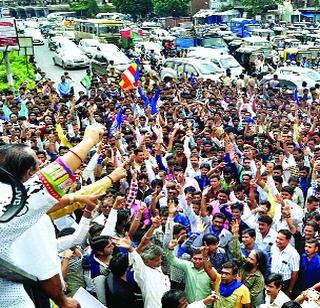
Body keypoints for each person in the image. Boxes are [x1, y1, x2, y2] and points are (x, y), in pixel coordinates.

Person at [0, 123, 106, 308]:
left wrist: (74, 197)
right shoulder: (13, 208)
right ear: (29, 174)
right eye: (39, 166)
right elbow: (49, 180)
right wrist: (88, 141)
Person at [270, 230, 300, 297]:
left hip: (284, 283)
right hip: (271, 280)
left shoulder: (293, 254)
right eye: (277, 238)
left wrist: (289, 290)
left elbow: (295, 274)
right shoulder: (274, 247)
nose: (277, 240)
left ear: (288, 240)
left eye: (281, 239)